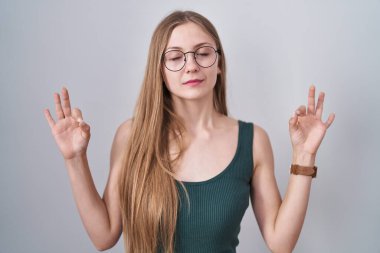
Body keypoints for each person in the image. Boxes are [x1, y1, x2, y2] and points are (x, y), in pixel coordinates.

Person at [43, 10, 335, 253]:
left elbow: (280, 242)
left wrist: (305, 155)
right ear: (160, 70)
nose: (191, 66)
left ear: (218, 63)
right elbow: (103, 235)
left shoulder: (253, 141)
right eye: (175, 57)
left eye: (203, 53)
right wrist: (74, 159)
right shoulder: (131, 136)